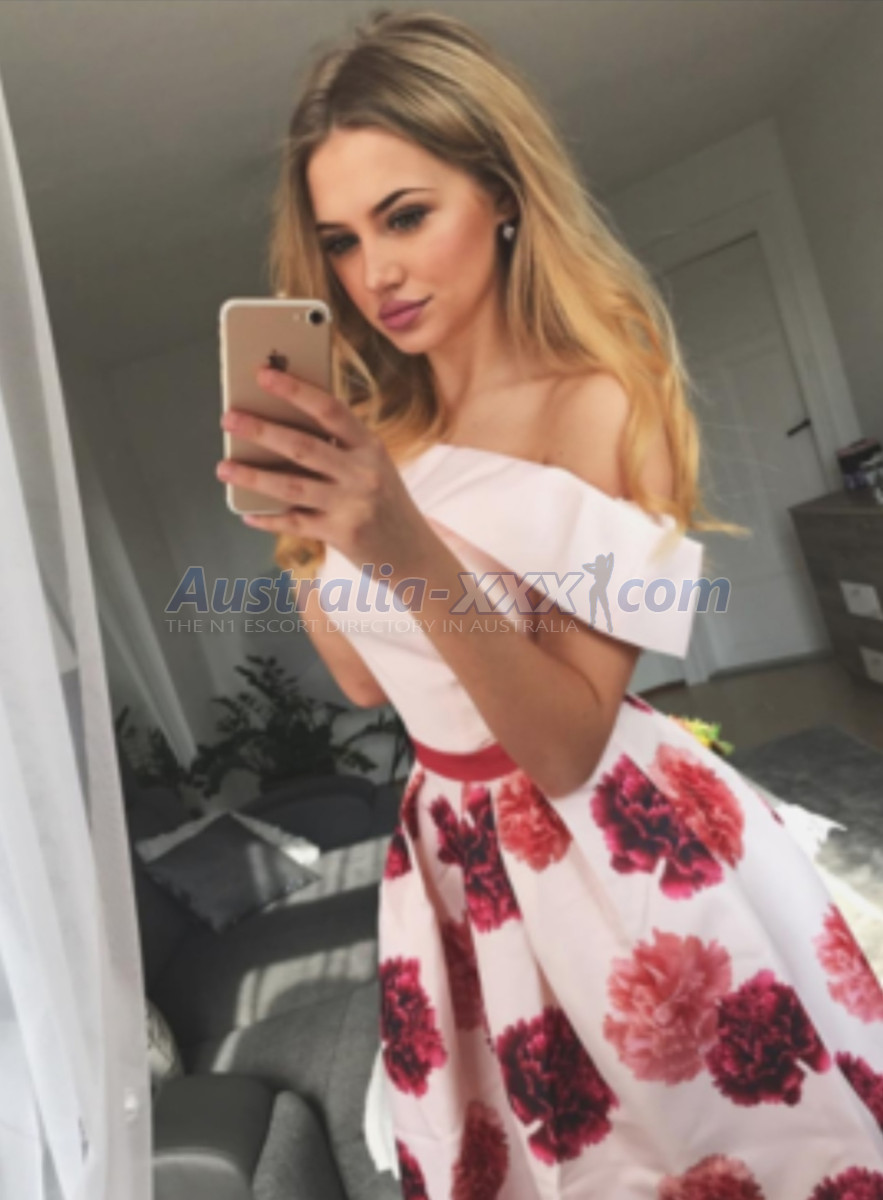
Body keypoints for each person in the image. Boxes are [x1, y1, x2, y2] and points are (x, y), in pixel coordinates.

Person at [216, 8, 883, 1197]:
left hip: (602, 849)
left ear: (500, 192)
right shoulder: (389, 435)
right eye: (341, 241)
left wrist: (399, 541)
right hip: (446, 849)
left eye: (405, 215)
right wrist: (313, 530)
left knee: (702, 1148)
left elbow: (569, 745)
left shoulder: (604, 400)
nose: (375, 273)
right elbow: (366, 682)